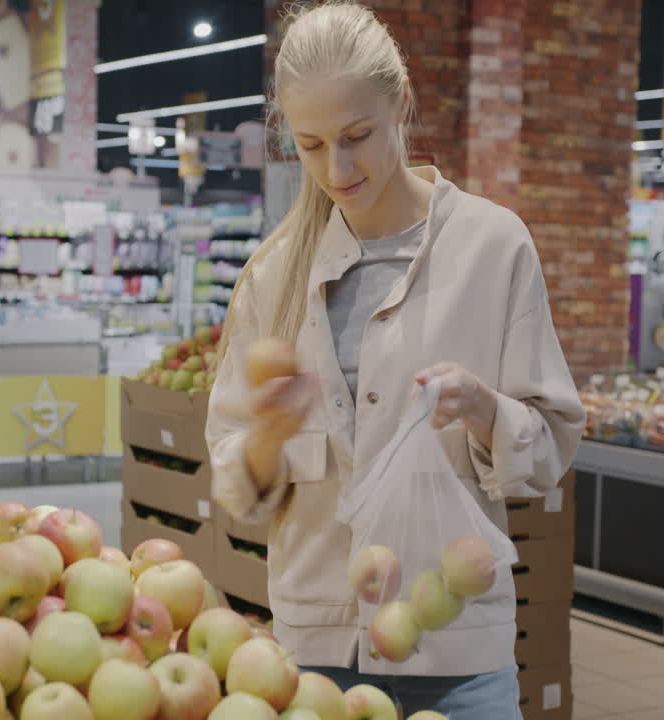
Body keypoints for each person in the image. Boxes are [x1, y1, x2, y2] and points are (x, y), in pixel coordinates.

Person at [204, 2, 586, 717]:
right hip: (311, 658)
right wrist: (266, 438)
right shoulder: (273, 277)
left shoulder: (492, 247)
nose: (337, 169)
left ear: (401, 105)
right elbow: (235, 485)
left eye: (357, 136)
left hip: (458, 657)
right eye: (311, 146)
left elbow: (550, 445)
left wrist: (482, 408)